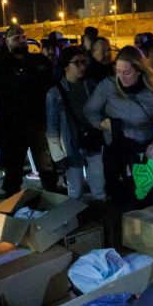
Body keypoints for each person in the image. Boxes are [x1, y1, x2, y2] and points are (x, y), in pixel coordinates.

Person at [85, 45, 153, 207]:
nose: (121, 77)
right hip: (116, 150)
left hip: (144, 152)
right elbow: (90, 111)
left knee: (144, 197)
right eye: (118, 71)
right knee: (119, 198)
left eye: (127, 73)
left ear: (139, 70)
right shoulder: (108, 86)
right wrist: (100, 123)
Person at [0, 23, 57, 195]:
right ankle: (12, 207)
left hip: (37, 123)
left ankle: (52, 200)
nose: (21, 40)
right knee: (14, 172)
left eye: (24, 37)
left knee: (46, 168)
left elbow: (47, 81)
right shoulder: (1, 63)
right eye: (16, 38)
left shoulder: (36, 60)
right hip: (13, 126)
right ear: (7, 42)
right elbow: (9, 88)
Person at [47, 47, 105, 200]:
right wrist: (58, 156)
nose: (82, 66)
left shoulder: (90, 86)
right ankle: (76, 222)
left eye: (83, 62)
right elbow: (52, 128)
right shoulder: (55, 93)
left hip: (92, 141)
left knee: (99, 188)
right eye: (77, 63)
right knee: (75, 192)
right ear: (66, 66)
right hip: (71, 145)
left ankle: (102, 219)